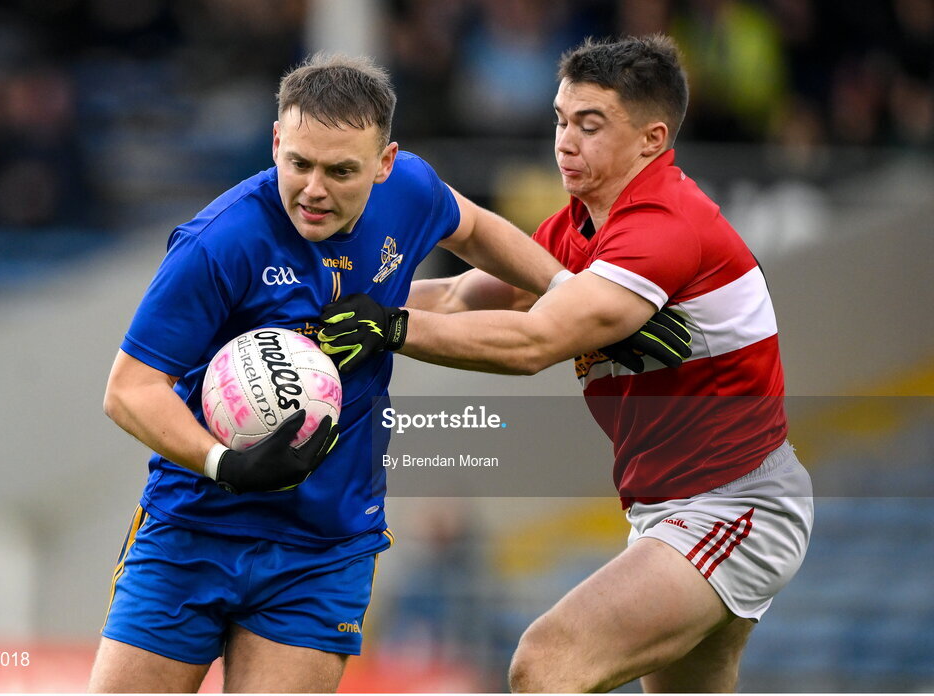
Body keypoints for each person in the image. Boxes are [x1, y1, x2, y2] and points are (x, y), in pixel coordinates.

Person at [89, 52, 684, 693]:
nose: (314, 189)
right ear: (275, 142)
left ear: (385, 163)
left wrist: (575, 293)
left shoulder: (411, 193)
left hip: (324, 545)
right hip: (193, 530)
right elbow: (129, 389)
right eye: (298, 164)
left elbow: (477, 228)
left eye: (341, 171)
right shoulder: (218, 244)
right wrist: (223, 463)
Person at [319, 35, 814, 693]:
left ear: (651, 138)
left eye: (590, 124)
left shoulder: (664, 225)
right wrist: (322, 311)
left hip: (734, 504)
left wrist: (387, 329)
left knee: (546, 660)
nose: (565, 141)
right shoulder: (577, 227)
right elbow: (464, 295)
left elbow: (532, 345)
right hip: (669, 506)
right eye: (560, 119)